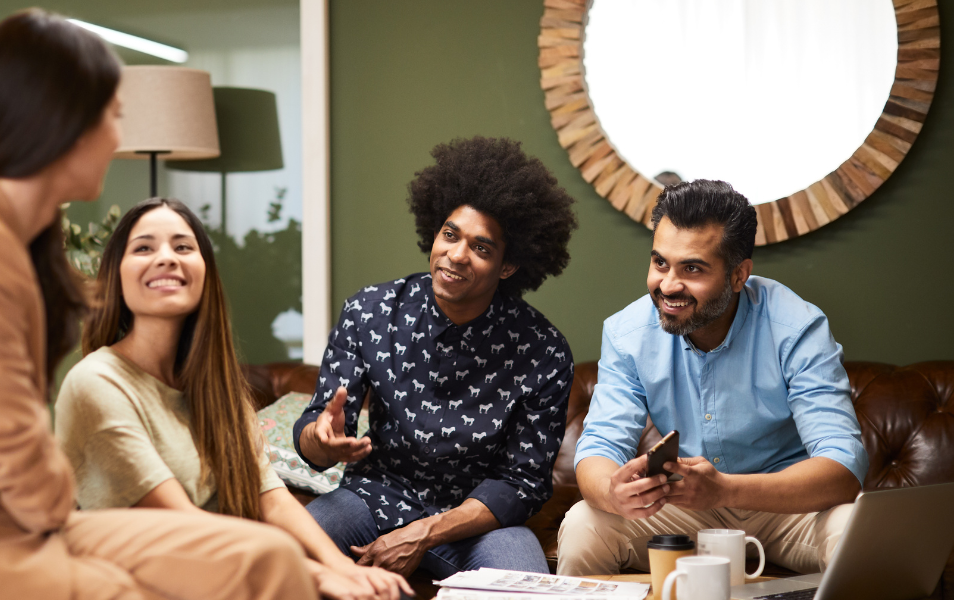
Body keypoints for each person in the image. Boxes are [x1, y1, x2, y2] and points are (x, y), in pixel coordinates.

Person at [0, 11, 315, 600]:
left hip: (16, 529)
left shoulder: (14, 234)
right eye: (110, 114)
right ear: (60, 122)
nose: (115, 135)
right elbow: (18, 468)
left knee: (266, 558)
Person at [54, 198, 414, 600]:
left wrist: (343, 568)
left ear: (205, 273)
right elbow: (178, 521)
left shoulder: (218, 389)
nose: (166, 258)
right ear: (116, 276)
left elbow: (270, 495)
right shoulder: (96, 382)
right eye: (144, 248)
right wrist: (311, 574)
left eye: (183, 247)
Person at [294, 136, 580, 578]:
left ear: (507, 266)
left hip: (477, 524)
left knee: (525, 587)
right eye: (450, 235)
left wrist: (426, 532)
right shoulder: (370, 311)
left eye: (481, 248)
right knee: (289, 553)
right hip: (371, 499)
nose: (456, 255)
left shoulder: (542, 350)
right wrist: (321, 439)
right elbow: (319, 439)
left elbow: (521, 483)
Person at [557, 180, 867, 576]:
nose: (668, 285)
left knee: (851, 530)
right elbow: (599, 446)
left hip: (787, 508)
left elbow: (842, 467)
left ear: (739, 275)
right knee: (586, 523)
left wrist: (724, 489)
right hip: (684, 510)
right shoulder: (627, 334)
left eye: (692, 269)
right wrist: (612, 493)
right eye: (659, 263)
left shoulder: (797, 327)